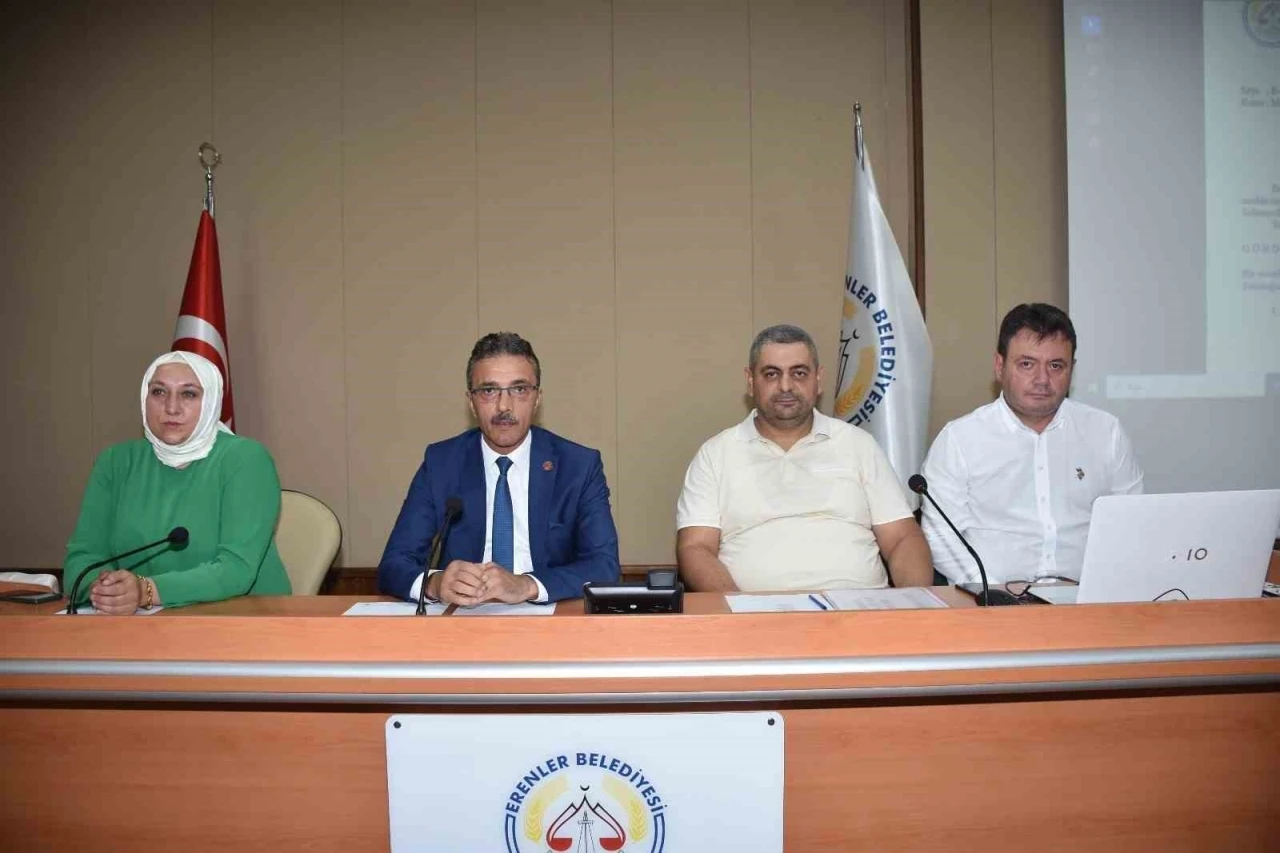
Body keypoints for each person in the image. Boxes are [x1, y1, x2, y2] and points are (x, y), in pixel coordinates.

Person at [676, 324, 933, 592]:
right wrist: (738, 608)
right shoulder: (715, 454)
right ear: (751, 381)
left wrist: (914, 603)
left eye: (799, 373)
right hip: (755, 611)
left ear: (818, 380)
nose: (786, 386)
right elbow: (696, 548)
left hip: (860, 608)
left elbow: (902, 538)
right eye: (771, 374)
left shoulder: (858, 444)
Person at [378, 332, 620, 605]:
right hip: (465, 616)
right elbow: (394, 564)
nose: (504, 406)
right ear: (471, 402)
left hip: (550, 615)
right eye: (489, 391)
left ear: (537, 398)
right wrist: (435, 583)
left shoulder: (578, 465)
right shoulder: (441, 463)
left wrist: (527, 586)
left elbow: (604, 566)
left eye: (519, 389)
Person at [920, 303, 1143, 585]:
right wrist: (992, 592)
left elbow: (1130, 524)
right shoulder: (960, 440)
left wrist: (1099, 586)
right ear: (999, 366)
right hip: (990, 598)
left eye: (1056, 366)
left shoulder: (1106, 432)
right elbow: (941, 538)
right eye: (1027, 364)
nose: (1042, 380)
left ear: (1072, 370)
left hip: (1087, 596)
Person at [63, 352, 291, 613]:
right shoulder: (116, 462)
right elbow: (81, 559)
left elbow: (236, 570)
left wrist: (146, 591)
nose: (171, 408)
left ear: (211, 402)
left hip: (246, 619)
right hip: (142, 624)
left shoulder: (246, 459)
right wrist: (107, 590)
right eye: (159, 392)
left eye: (189, 394)